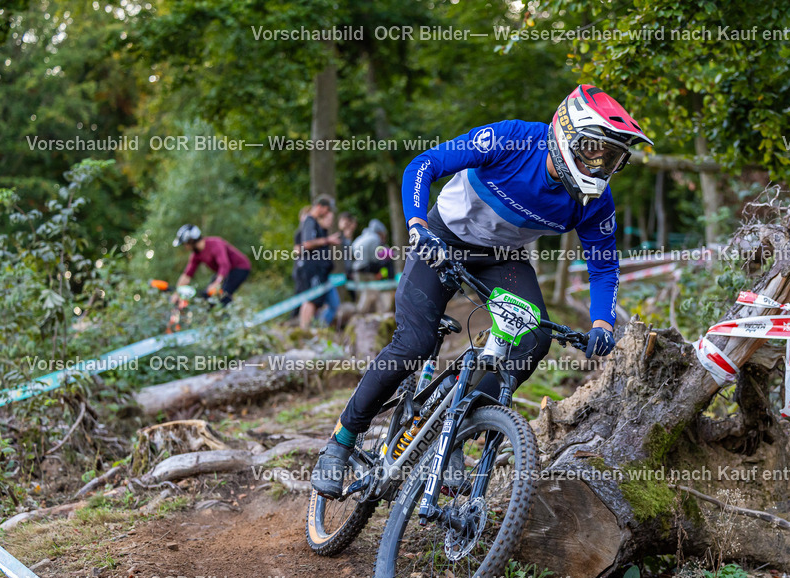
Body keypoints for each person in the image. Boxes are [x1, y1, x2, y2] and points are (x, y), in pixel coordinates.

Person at [311, 84, 652, 498]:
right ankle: (341, 442)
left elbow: (603, 264)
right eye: (593, 150)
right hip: (443, 237)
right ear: (565, 134)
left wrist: (601, 321)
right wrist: (417, 225)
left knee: (534, 339)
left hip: (502, 259)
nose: (599, 166)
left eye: (612, 158)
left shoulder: (595, 201)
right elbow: (423, 165)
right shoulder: (512, 139)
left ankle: (450, 431)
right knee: (415, 341)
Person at [171, 224, 250, 306]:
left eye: (185, 244)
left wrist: (217, 283)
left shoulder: (216, 244)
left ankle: (231, 316)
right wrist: (177, 293)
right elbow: (187, 275)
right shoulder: (196, 255)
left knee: (222, 295)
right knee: (208, 296)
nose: (185, 247)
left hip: (240, 268)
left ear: (191, 240)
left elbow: (224, 265)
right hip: (224, 272)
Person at [294, 195, 340, 330]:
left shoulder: (314, 223)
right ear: (320, 207)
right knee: (311, 300)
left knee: (319, 302)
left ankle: (314, 329)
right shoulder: (309, 221)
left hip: (319, 269)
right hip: (310, 268)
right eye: (327, 210)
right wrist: (327, 240)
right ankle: (305, 330)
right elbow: (307, 244)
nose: (327, 213)